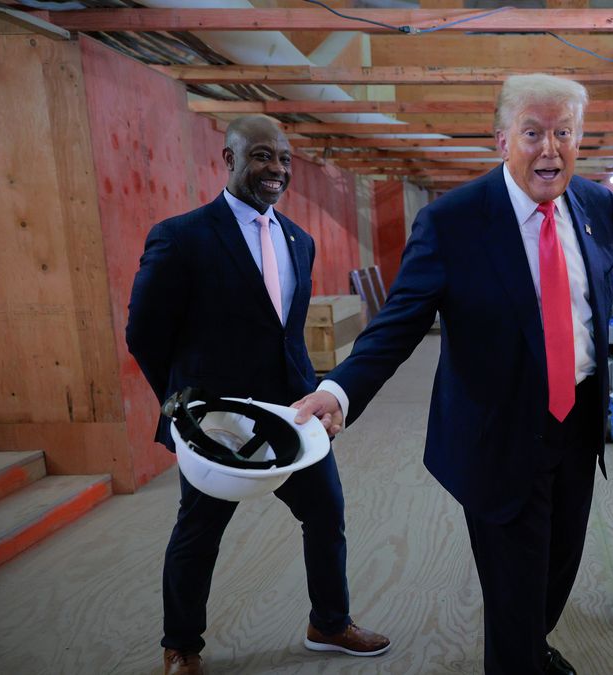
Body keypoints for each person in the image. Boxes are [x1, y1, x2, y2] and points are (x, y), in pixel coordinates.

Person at [291, 75, 613, 675]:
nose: (549, 149)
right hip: (498, 432)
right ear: (503, 139)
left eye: (563, 133)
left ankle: (532, 643)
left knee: (559, 564)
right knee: (512, 587)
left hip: (578, 425)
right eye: (533, 133)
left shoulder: (595, 205)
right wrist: (338, 388)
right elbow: (397, 323)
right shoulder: (453, 221)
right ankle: (518, 656)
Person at [125, 115, 390, 675]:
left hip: (291, 411)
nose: (277, 170)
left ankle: (330, 622)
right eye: (263, 156)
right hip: (218, 420)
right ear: (229, 160)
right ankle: (182, 646)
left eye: (285, 159)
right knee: (199, 530)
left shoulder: (300, 239)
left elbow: (284, 332)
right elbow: (144, 333)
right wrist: (182, 407)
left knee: (326, 513)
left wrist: (316, 392)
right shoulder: (183, 236)